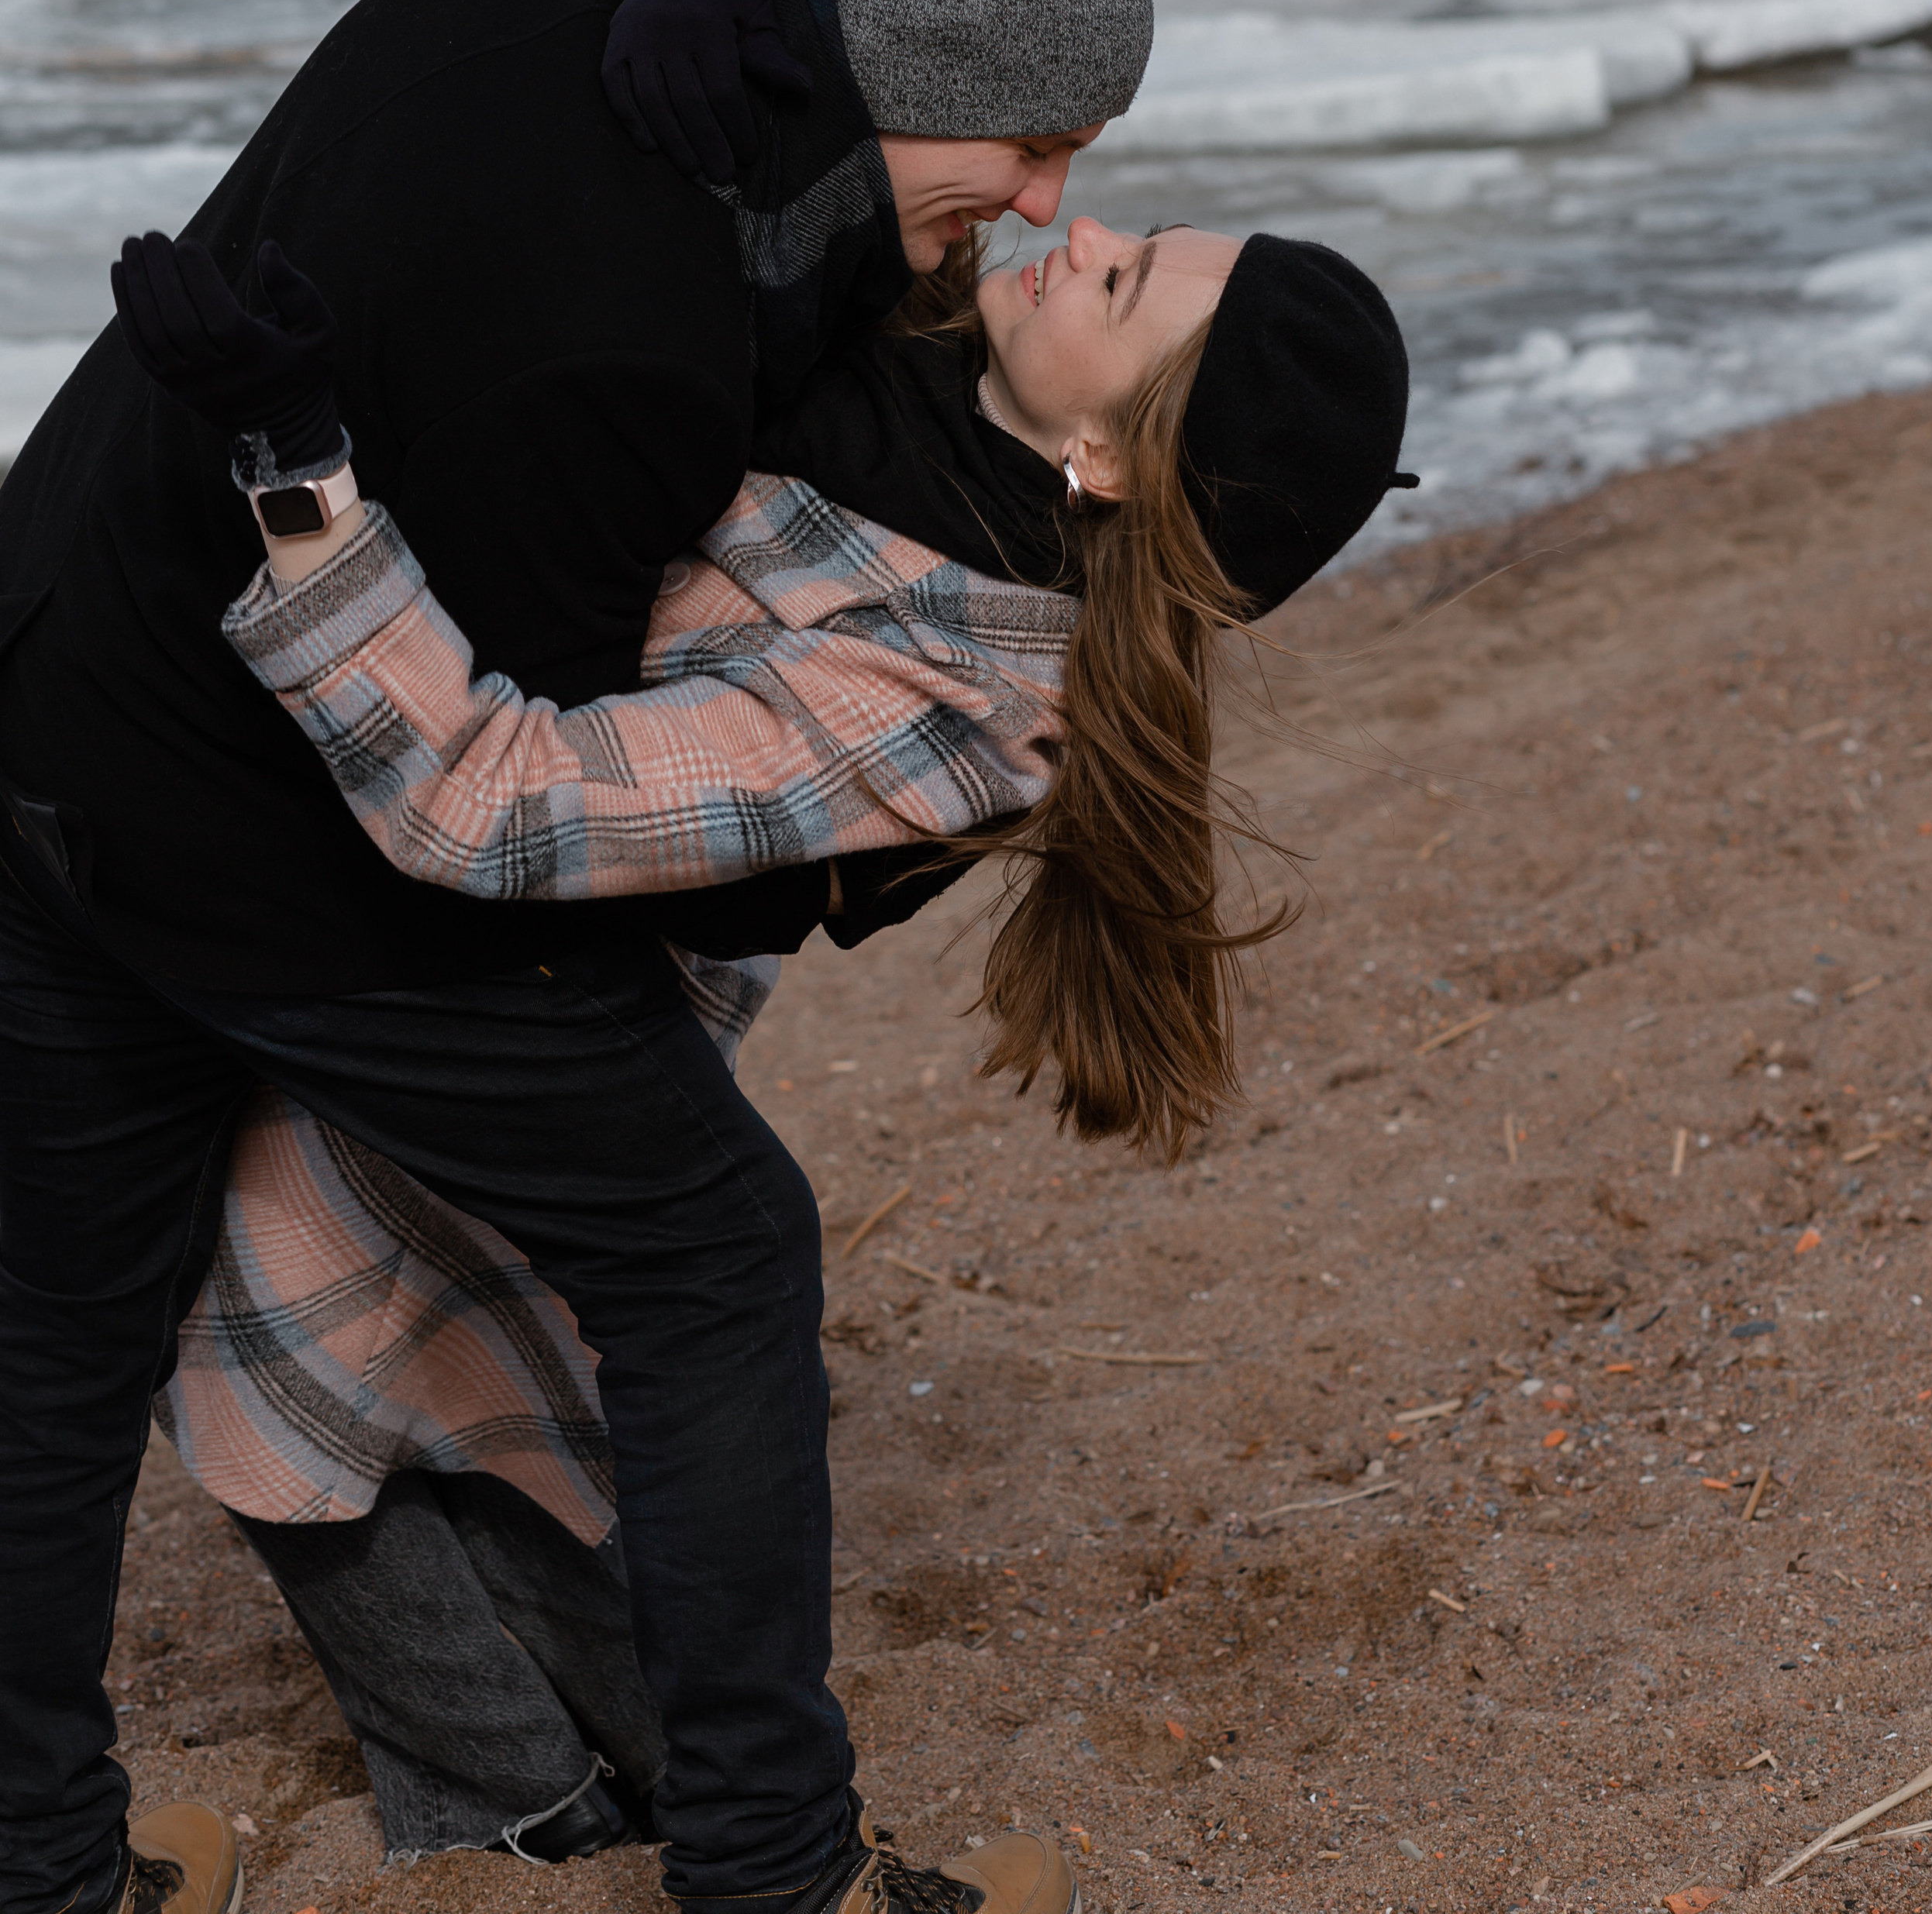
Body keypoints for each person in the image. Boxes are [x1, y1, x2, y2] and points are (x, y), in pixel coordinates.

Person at [0, 0, 1158, 1914]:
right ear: (908, 71)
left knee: (49, 1329)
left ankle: (34, 1867)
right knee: (713, 1259)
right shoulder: (645, 328)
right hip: (265, 817)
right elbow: (477, 803)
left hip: (44, 666)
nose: (1044, 200)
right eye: (1030, 141)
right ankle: (772, 1875)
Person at [122, 205, 1412, 1854]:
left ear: (1101, 457)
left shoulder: (967, 693)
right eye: (1137, 229)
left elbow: (491, 803)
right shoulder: (898, 353)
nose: (1076, 224)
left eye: (1119, 277)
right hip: (370, 926)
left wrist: (301, 477)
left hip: (533, 1016)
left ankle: (522, 1821)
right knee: (318, 1363)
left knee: (311, 1349)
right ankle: (556, 1794)